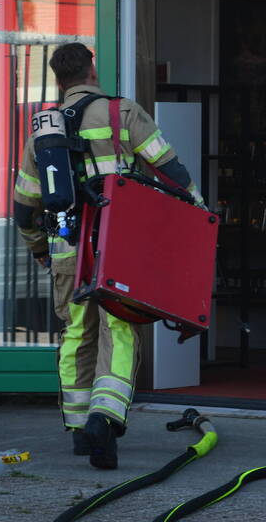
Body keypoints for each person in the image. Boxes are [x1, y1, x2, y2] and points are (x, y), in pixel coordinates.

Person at [12, 43, 202, 469]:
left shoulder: (43, 132)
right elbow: (169, 170)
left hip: (68, 250)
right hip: (118, 249)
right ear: (91, 71)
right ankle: (106, 417)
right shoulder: (122, 113)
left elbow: (26, 205)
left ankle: (79, 429)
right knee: (119, 332)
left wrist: (41, 249)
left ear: (59, 80)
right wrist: (198, 218)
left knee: (77, 332)